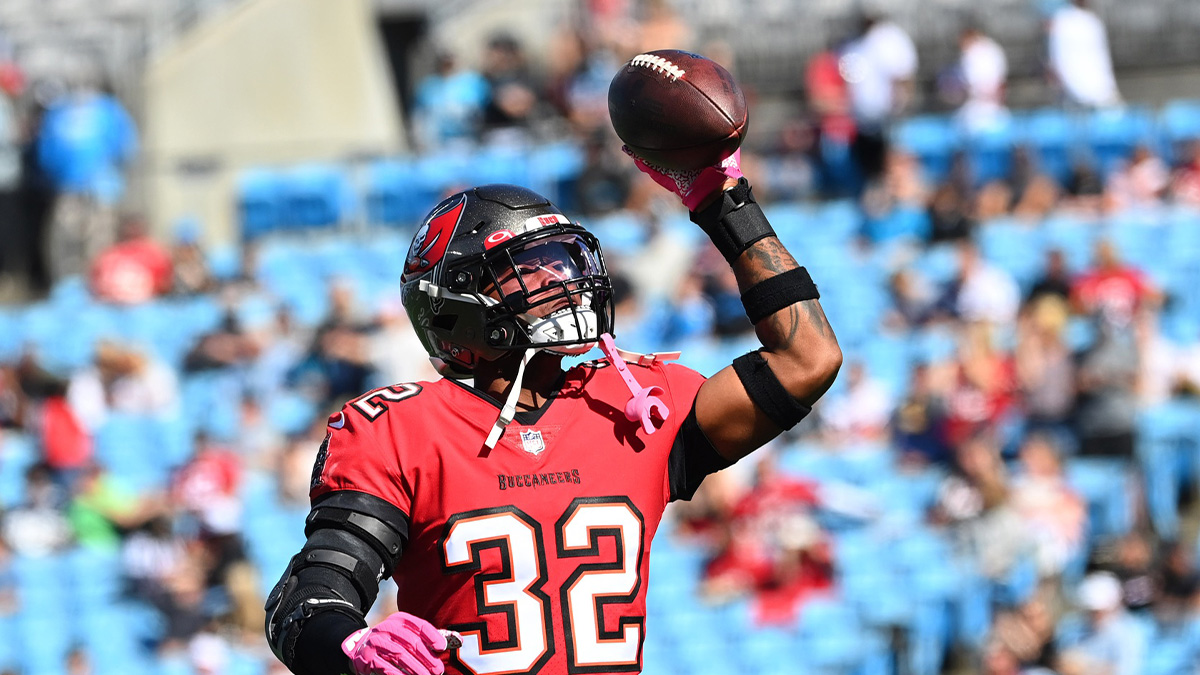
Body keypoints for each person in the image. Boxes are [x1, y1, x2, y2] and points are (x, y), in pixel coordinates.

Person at [263, 148, 843, 673]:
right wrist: (349, 650)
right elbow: (311, 596)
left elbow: (807, 359)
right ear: (457, 303)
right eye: (530, 266)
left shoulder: (633, 403)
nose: (562, 280)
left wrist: (722, 202)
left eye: (563, 260)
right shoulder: (401, 429)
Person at [1047, 0, 1120, 109]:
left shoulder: (1093, 22)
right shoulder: (1062, 21)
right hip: (1076, 96)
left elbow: (1102, 60)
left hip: (1100, 92)